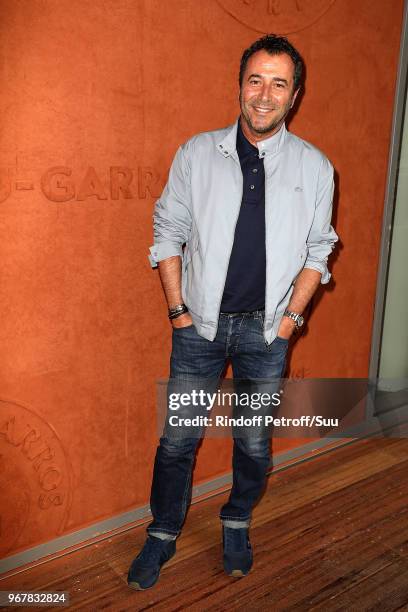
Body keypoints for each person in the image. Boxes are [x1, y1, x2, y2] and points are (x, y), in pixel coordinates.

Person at [127, 33, 338, 590]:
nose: (264, 95)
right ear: (239, 85)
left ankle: (236, 519)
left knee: (252, 442)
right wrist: (178, 310)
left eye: (279, 83)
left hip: (266, 334)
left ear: (294, 95)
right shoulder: (197, 153)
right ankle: (163, 530)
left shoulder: (316, 167)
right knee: (179, 439)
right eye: (255, 80)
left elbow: (320, 251)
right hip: (199, 326)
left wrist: (292, 319)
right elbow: (167, 231)